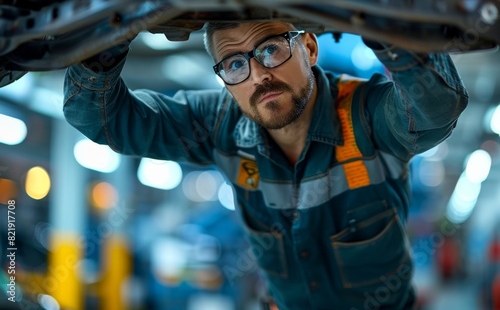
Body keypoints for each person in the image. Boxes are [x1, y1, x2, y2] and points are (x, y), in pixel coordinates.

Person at [63, 21, 469, 310]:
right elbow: (101, 119)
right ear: (223, 78)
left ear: (309, 48)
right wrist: (110, 28)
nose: (258, 75)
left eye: (270, 49)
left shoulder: (366, 116)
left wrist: (393, 26)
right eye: (235, 64)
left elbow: (433, 113)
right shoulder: (218, 123)